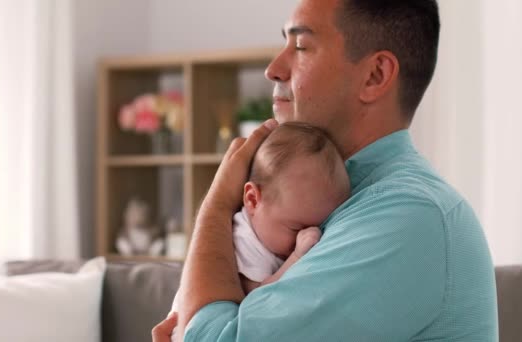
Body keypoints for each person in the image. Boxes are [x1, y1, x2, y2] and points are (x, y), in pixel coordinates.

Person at [154, 0, 498, 341]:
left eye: (301, 46)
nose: (273, 68)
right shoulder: (335, 203)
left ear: (375, 75)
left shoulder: (407, 216)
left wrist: (216, 204)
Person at [168, 122, 351, 341]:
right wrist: (296, 257)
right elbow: (257, 301)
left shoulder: (271, 226)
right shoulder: (244, 240)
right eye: (297, 228)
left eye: (318, 227)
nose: (307, 236)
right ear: (253, 199)